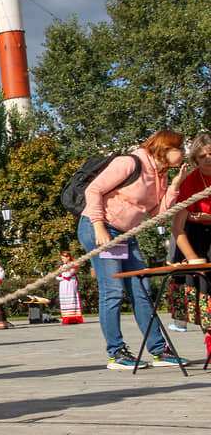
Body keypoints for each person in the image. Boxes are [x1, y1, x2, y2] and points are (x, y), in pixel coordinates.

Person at [78, 129, 189, 370]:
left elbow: (159, 216)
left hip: (127, 235)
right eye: (179, 148)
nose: (183, 153)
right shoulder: (130, 162)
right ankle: (116, 353)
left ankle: (159, 350)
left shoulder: (161, 175)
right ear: (165, 148)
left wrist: (175, 186)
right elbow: (93, 190)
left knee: (141, 290)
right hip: (102, 228)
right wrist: (99, 228)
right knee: (114, 290)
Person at [170, 133, 211, 357]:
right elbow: (178, 227)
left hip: (204, 224)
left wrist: (205, 216)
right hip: (198, 240)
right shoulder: (191, 181)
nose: (208, 159)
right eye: (203, 155)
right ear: (195, 159)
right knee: (207, 293)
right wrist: (193, 259)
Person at [56, 252, 84, 325]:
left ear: (68, 258)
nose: (63, 260)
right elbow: (57, 276)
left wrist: (62, 275)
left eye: (64, 258)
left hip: (71, 284)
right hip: (63, 285)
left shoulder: (73, 265)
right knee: (64, 300)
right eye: (62, 258)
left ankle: (73, 318)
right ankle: (66, 317)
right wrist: (62, 276)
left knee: (71, 299)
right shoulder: (61, 267)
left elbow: (69, 274)